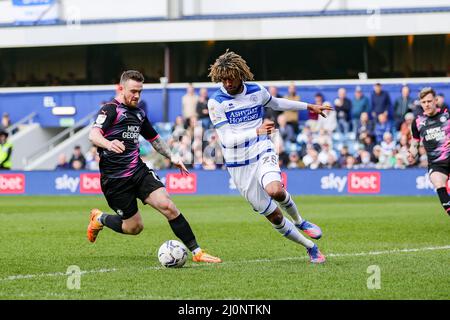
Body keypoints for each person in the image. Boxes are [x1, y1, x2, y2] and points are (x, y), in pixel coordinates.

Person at [207, 50, 331, 263]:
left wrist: (308, 106)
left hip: (260, 148)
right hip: (238, 164)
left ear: (240, 74)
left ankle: (301, 220)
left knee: (275, 189)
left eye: (231, 77)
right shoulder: (216, 102)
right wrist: (256, 131)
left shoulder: (256, 90)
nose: (227, 82)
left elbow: (276, 103)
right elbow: (227, 140)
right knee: (274, 216)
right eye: (223, 78)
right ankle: (310, 247)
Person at [87, 70, 221, 264]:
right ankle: (99, 219)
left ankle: (197, 252)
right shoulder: (110, 110)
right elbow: (93, 134)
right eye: (133, 91)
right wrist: (108, 144)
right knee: (134, 228)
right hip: (115, 180)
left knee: (168, 206)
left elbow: (155, 139)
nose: (137, 96)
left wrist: (172, 156)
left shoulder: (139, 113)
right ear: (121, 88)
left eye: (140, 91)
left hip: (138, 171)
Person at [408, 87, 450, 217]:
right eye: (424, 102)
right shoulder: (417, 122)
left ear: (435, 100)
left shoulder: (447, 115)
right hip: (436, 164)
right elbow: (415, 143)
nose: (427, 104)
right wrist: (412, 153)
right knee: (438, 183)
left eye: (429, 101)